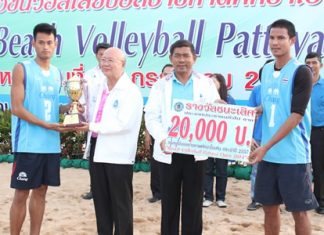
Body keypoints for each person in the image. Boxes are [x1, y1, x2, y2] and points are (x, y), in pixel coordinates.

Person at [249, 19, 318, 235]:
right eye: (272, 38)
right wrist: (255, 110)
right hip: (268, 157)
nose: (275, 42)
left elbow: (296, 114)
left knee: (300, 211)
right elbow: (272, 103)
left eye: (281, 38)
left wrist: (265, 146)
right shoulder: (266, 69)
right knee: (269, 209)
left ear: (292, 40)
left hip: (293, 156)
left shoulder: (301, 71)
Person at [145, 39, 220, 235]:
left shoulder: (206, 83)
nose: (181, 60)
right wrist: (161, 138)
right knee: (169, 202)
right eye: (177, 56)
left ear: (194, 58)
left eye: (186, 55)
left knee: (193, 203)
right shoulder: (160, 85)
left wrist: (220, 106)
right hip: (168, 151)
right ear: (171, 58)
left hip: (196, 152)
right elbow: (151, 116)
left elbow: (216, 111)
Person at [10, 23, 69, 235]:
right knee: (21, 194)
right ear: (33, 43)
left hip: (50, 145)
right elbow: (16, 108)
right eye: (41, 42)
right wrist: (45, 125)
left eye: (50, 43)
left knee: (41, 192)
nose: (46, 47)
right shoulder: (22, 68)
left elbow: (53, 106)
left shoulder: (57, 73)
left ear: (56, 44)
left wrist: (70, 108)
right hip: (28, 143)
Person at [77, 47, 143, 235]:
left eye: (110, 60)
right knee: (101, 203)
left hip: (118, 155)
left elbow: (123, 123)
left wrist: (92, 126)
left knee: (121, 205)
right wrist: (82, 114)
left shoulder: (130, 91)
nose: (105, 63)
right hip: (97, 150)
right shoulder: (100, 87)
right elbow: (92, 116)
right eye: (103, 60)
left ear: (122, 64)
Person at [81, 42, 111, 200]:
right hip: (92, 125)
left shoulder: (116, 75)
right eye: (101, 55)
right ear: (96, 56)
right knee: (93, 160)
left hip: (110, 126)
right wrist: (81, 113)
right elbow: (83, 99)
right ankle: (94, 189)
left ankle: (108, 189)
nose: (104, 59)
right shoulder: (89, 75)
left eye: (107, 56)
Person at [203, 73, 236, 208]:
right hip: (207, 139)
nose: (211, 85)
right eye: (209, 82)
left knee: (222, 170)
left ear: (221, 84)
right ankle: (208, 196)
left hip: (223, 141)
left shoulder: (229, 99)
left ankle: (221, 197)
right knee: (207, 169)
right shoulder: (204, 99)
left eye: (214, 82)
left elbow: (235, 119)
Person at [246, 59, 274, 211]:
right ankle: (255, 199)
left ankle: (275, 200)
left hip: (278, 137)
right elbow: (249, 114)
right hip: (259, 135)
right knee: (257, 169)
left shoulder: (284, 89)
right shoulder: (257, 90)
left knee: (277, 169)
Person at [146, 63, 174, 203]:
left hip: (177, 137)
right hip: (158, 134)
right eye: (165, 74)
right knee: (156, 165)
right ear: (161, 75)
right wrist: (147, 134)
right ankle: (157, 193)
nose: (168, 76)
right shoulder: (157, 87)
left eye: (171, 73)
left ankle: (170, 193)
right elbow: (150, 115)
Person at [305, 52, 324, 215]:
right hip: (299, 131)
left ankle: (320, 201)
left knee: (319, 167)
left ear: (321, 65)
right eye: (308, 63)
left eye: (314, 62)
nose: (311, 66)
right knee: (297, 166)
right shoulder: (299, 85)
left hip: (319, 131)